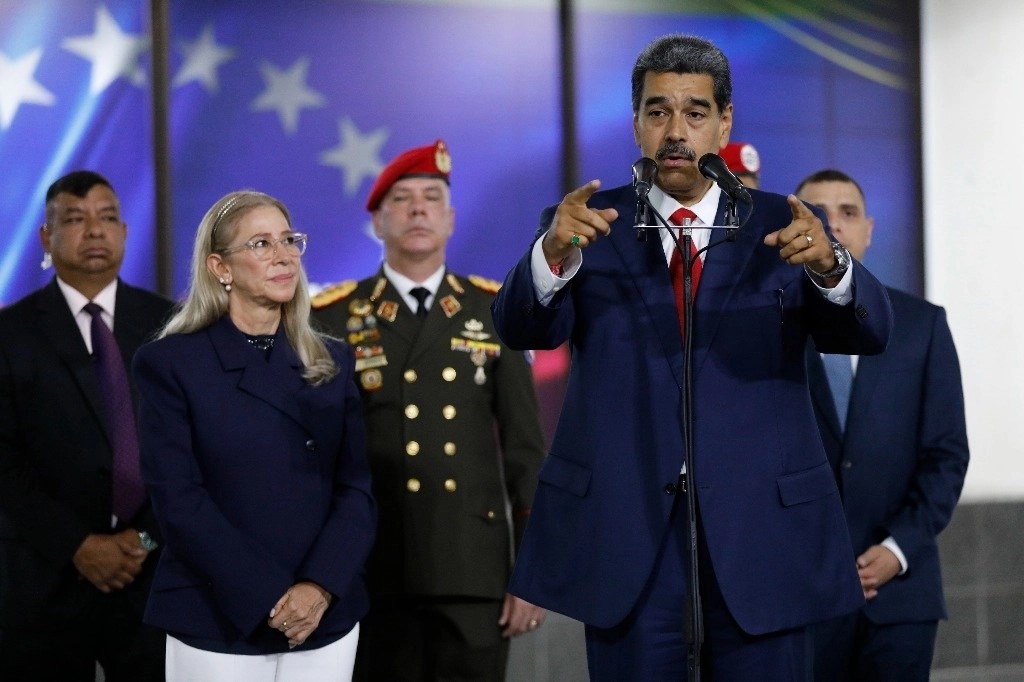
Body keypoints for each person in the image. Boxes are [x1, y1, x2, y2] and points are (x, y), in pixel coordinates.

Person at [490, 34, 895, 680]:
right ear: (636, 124)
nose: (675, 131)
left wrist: (830, 264)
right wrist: (552, 254)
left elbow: (868, 333)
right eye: (658, 112)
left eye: (695, 113)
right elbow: (519, 327)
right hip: (631, 541)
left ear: (724, 121)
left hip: (762, 536)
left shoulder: (785, 223)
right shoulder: (588, 223)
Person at [311, 139, 547, 681]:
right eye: (403, 198)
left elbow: (525, 453)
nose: (418, 209)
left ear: (451, 219)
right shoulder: (333, 315)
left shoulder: (494, 310)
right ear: (376, 220)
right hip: (368, 568)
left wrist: (532, 573)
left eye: (432, 197)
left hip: (472, 568)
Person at [131, 190, 376, 681]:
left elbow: (357, 490)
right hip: (218, 614)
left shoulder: (331, 360)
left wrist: (319, 587)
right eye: (261, 244)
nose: (284, 255)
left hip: (322, 616)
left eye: (289, 240)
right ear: (219, 267)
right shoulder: (171, 364)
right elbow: (179, 500)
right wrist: (269, 596)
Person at [796, 169, 969, 681]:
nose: (834, 227)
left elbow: (947, 456)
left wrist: (896, 550)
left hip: (900, 597)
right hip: (800, 596)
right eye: (818, 213)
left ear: (868, 229)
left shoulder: (922, 325)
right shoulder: (769, 325)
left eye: (848, 213)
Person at [0, 170, 174, 680]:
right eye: (75, 219)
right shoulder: (10, 334)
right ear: (47, 239)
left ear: (123, 231)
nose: (95, 230)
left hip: (151, 577)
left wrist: (141, 542)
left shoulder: (173, 326)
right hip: (43, 577)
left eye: (107, 217)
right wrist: (79, 545)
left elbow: (189, 453)